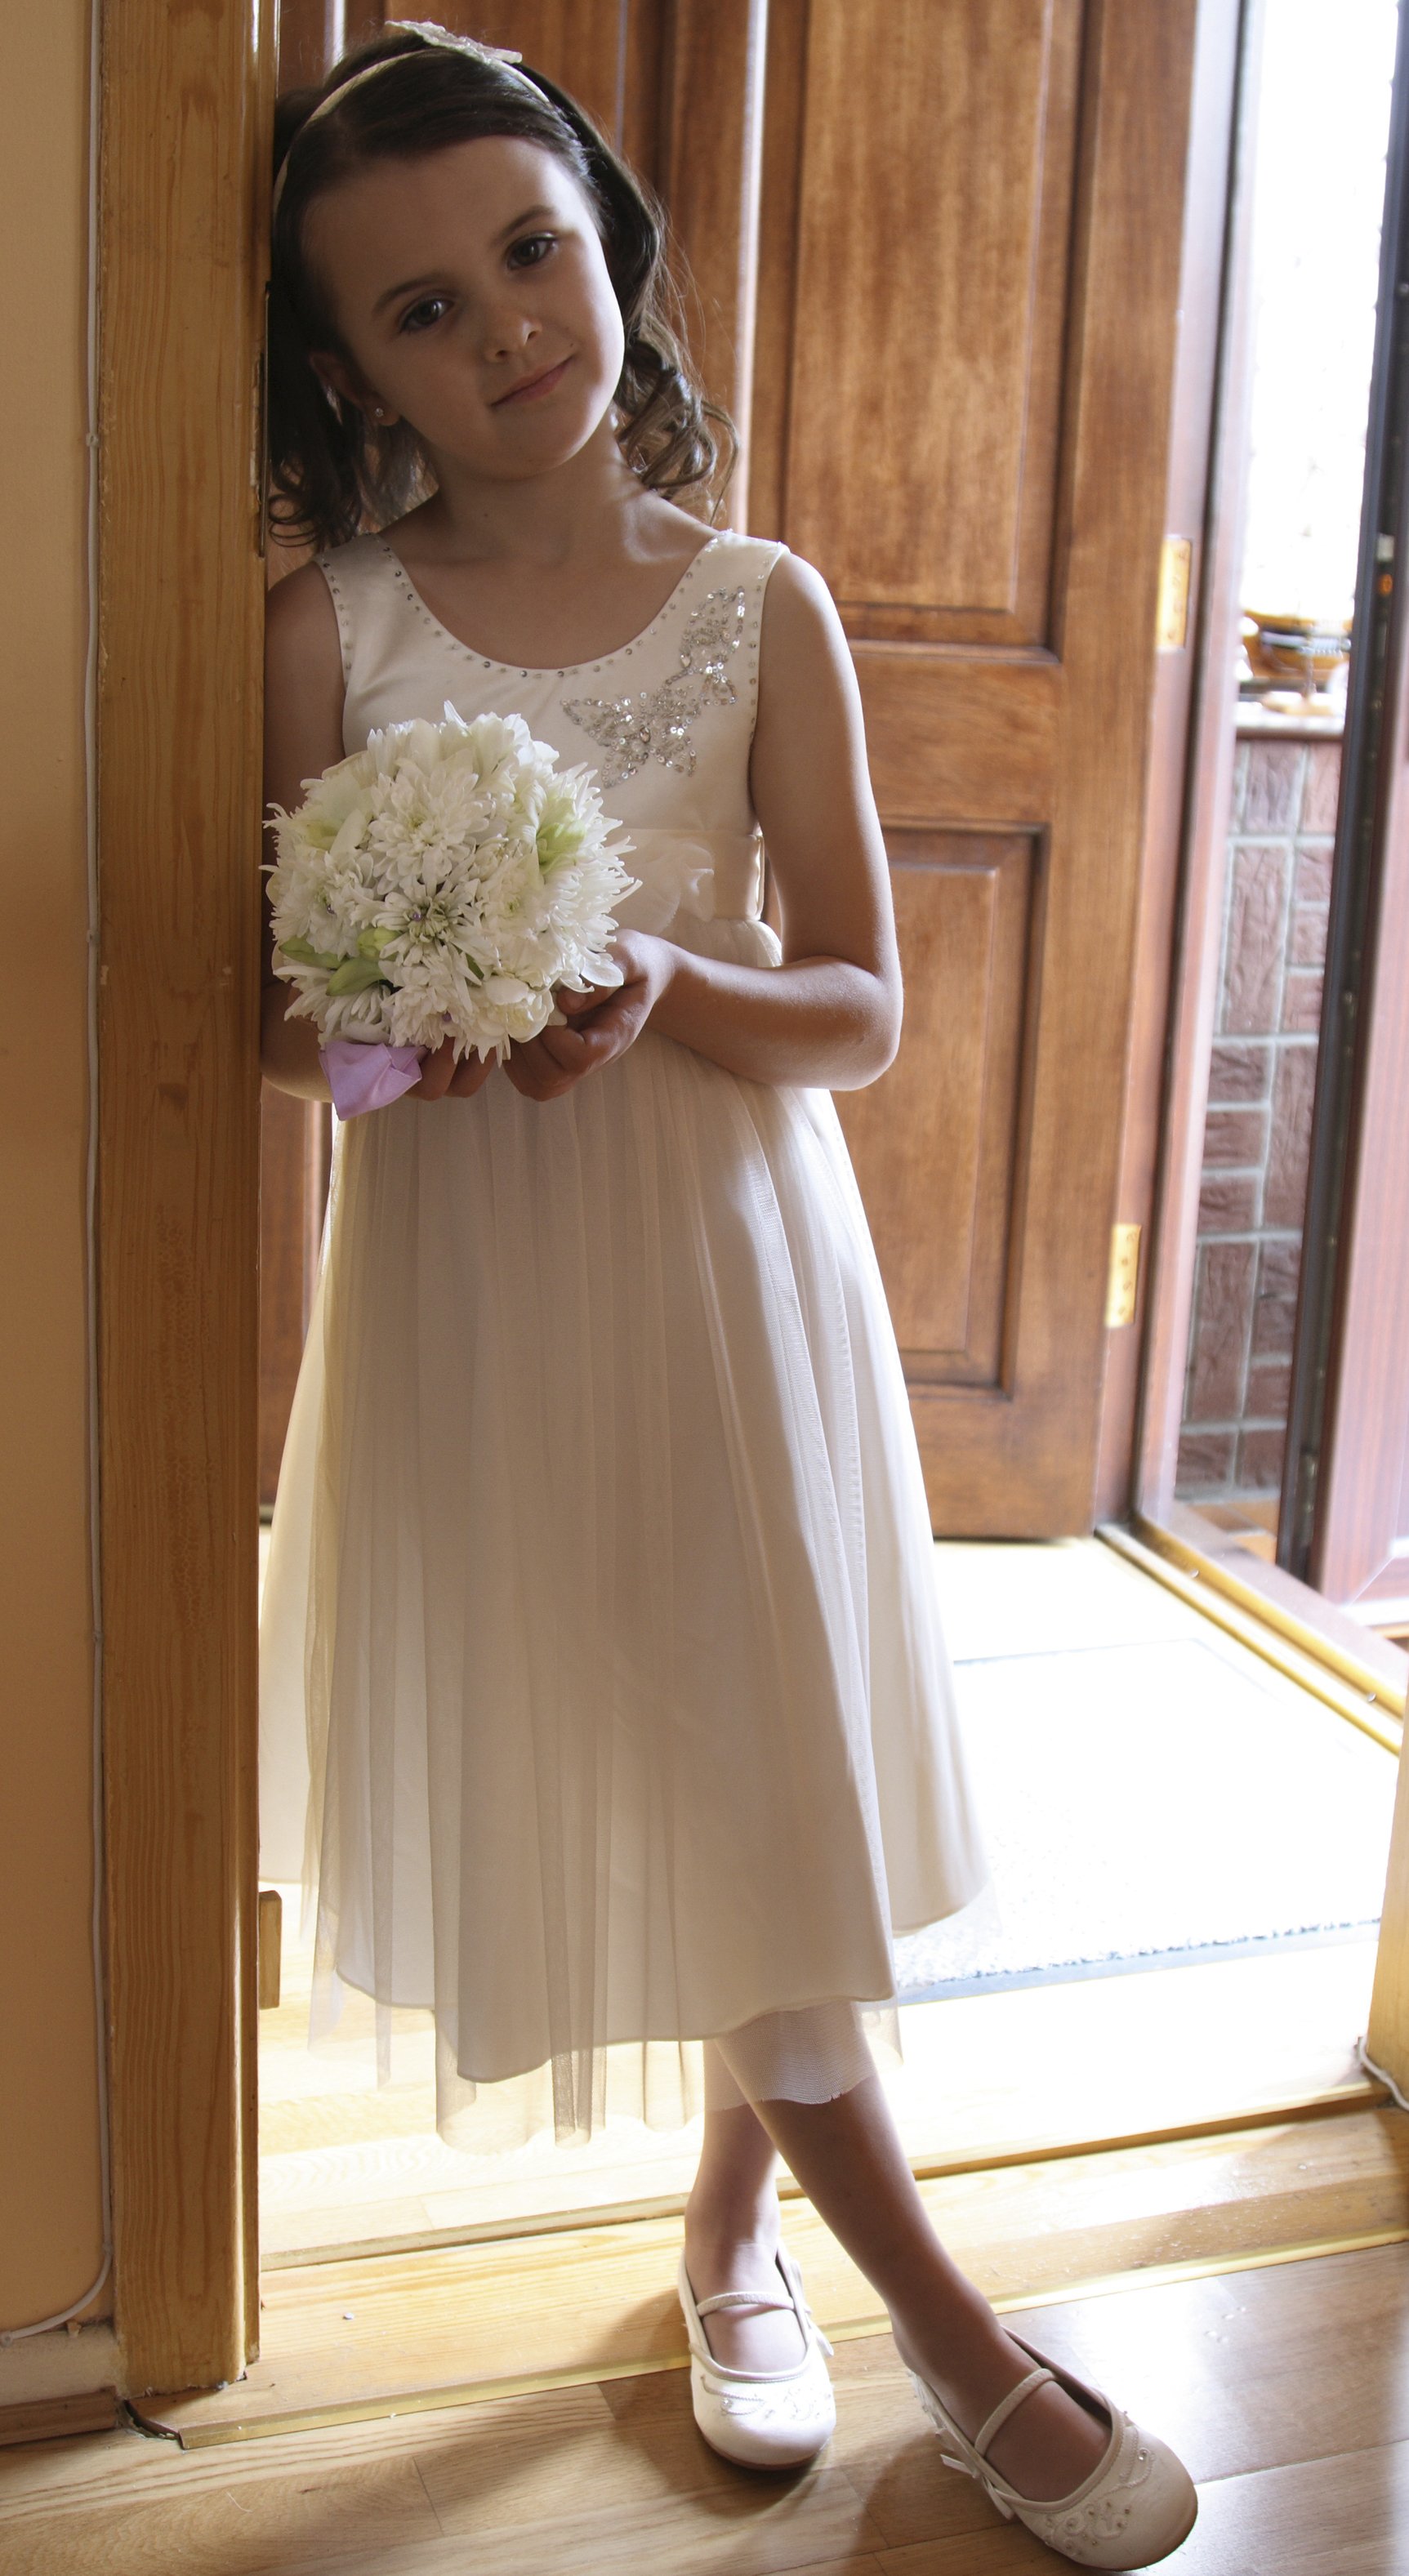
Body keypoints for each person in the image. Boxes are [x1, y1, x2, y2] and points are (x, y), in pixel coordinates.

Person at [258, 25, 1196, 2565]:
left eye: (530, 252)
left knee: (750, 1757)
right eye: (420, 311)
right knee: (660, 1748)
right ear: (347, 372)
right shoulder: (325, 629)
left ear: (610, 246)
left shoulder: (754, 606)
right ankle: (737, 2229)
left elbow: (868, 1006)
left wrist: (660, 994)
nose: (504, 331)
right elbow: (280, 1017)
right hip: (474, 1290)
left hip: (716, 1255)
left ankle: (911, 2311)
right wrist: (410, 1029)